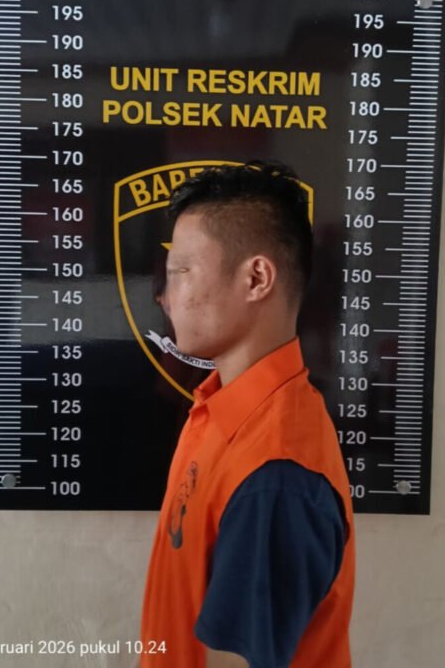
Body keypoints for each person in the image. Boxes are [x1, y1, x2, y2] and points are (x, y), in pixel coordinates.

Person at [138, 160, 355, 668]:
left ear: (257, 277)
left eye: (181, 272)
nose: (165, 297)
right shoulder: (219, 411)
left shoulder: (275, 474)